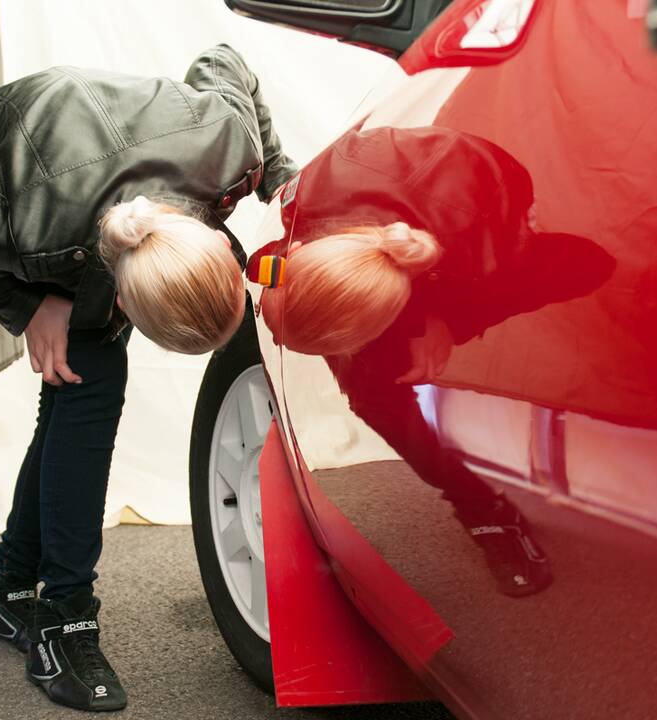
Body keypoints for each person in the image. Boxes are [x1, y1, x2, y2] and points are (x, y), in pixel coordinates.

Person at [0, 44, 296, 712]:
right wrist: (30, 306)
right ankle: (64, 619)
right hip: (14, 147)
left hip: (111, 153)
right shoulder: (17, 225)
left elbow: (226, 58)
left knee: (75, 390)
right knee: (89, 379)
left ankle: (13, 589)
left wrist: (279, 172)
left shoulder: (228, 143)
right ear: (122, 303)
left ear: (218, 237)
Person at [254, 127, 613, 597]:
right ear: (294, 254)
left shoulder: (481, 245)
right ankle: (478, 502)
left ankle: (485, 512)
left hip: (473, 214)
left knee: (589, 264)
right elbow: (264, 268)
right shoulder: (298, 216)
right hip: (396, 234)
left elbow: (498, 249)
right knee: (376, 396)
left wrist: (436, 321)